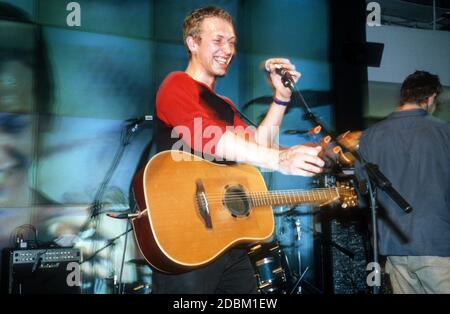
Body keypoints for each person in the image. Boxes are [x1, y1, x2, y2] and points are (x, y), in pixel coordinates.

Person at [152, 6, 325, 294]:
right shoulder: (176, 85)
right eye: (218, 40)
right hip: (186, 240)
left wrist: (281, 98)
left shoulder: (225, 104)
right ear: (192, 43)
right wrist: (281, 158)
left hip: (228, 242)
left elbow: (258, 146)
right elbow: (211, 139)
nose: (228, 49)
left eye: (231, 42)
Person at [356, 70, 450, 294]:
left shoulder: (370, 135)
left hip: (393, 247)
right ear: (431, 98)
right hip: (436, 243)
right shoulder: (444, 132)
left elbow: (364, 196)